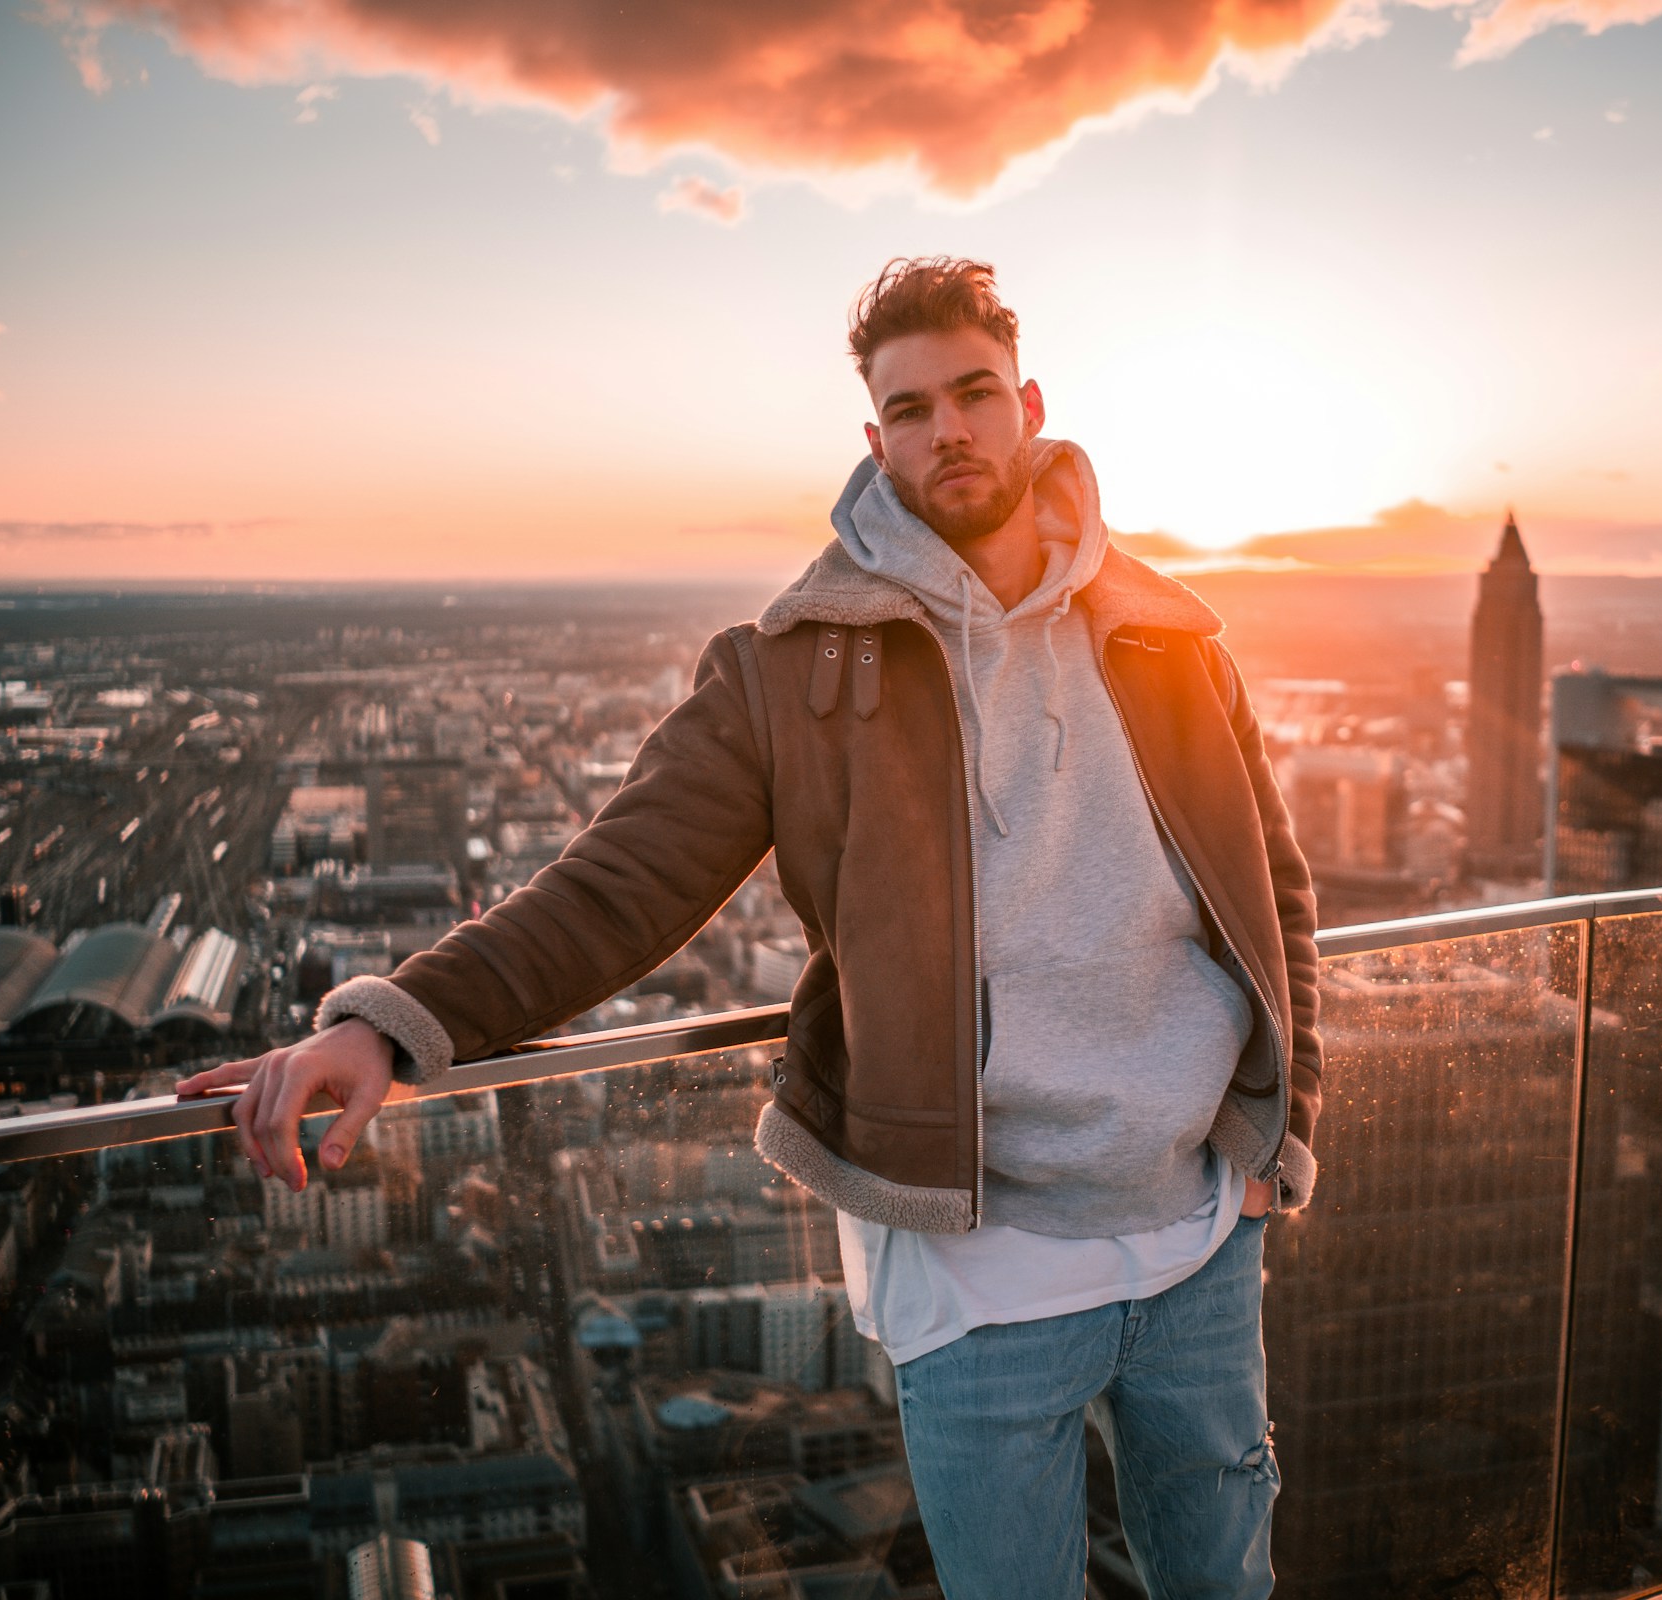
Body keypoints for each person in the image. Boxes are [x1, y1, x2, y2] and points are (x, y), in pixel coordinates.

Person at [180, 256, 1323, 1599]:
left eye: (971, 394)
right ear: (873, 440)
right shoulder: (791, 669)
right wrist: (392, 1023)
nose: (947, 429)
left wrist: (1282, 1129)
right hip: (979, 1269)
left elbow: (1274, 898)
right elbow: (619, 885)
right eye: (911, 409)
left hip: (1198, 1234)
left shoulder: (1169, 637)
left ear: (1028, 404)